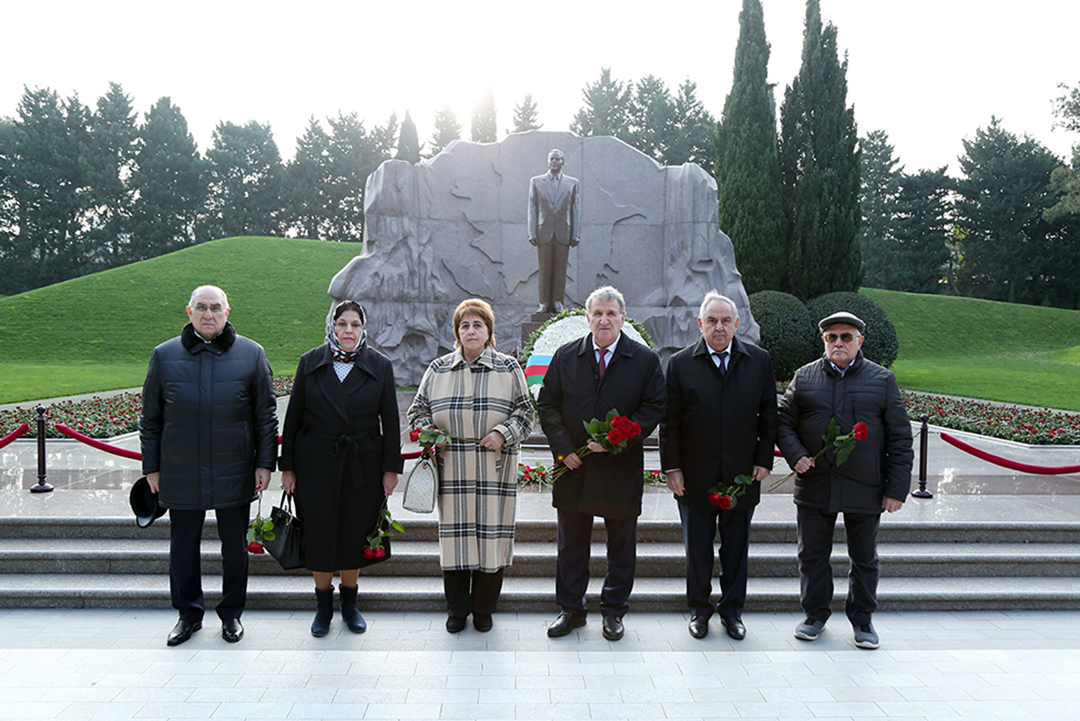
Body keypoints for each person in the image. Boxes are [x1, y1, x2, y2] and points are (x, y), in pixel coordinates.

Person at [140, 285, 278, 646]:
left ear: (227, 312)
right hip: (180, 469)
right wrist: (151, 468)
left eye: (215, 307)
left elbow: (265, 416)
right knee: (183, 546)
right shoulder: (164, 355)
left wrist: (264, 463)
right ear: (189, 311)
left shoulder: (251, 354)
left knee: (235, 546)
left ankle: (231, 614)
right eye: (201, 307)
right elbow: (150, 418)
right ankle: (188, 614)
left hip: (234, 469)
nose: (208, 314)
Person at [777, 311, 913, 650]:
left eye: (846, 337)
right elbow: (783, 423)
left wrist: (896, 488)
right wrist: (796, 455)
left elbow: (900, 437)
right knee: (811, 555)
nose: (839, 343)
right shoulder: (804, 377)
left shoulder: (882, 380)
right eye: (832, 337)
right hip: (815, 483)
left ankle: (863, 619)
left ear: (859, 341)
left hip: (865, 485)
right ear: (823, 341)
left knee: (864, 558)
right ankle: (815, 615)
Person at [537, 285, 666, 641]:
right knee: (571, 545)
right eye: (598, 313)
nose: (605, 319)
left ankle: (613, 611)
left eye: (611, 313)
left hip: (619, 469)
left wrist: (616, 440)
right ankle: (571, 610)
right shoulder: (566, 357)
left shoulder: (644, 360)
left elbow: (654, 407)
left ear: (623, 318)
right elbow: (547, 405)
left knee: (621, 545)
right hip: (574, 468)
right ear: (588, 318)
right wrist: (564, 449)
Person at [407, 299, 534, 633]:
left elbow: (525, 415)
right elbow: (417, 412)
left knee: (492, 537)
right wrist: (432, 434)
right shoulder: (438, 370)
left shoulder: (508, 368)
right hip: (453, 471)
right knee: (456, 539)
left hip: (495, 470)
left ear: (489, 331)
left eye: (478, 324)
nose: (471, 331)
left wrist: (502, 433)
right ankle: (457, 609)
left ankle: (484, 609)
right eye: (465, 325)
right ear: (457, 332)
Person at [279, 300, 403, 637]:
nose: (349, 331)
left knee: (353, 533)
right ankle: (322, 606)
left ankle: (349, 603)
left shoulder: (379, 364)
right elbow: (293, 418)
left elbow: (390, 421)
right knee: (317, 533)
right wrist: (287, 467)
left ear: (364, 329)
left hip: (361, 463)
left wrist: (390, 469)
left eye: (355, 325)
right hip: (315, 462)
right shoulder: (311, 362)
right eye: (342, 324)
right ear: (332, 327)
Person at [660, 292, 777, 640]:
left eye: (726, 320)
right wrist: (672, 468)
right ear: (700, 324)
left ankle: (732, 612)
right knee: (697, 550)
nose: (719, 327)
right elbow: (670, 423)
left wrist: (763, 459)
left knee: (736, 550)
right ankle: (699, 610)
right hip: (695, 478)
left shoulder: (758, 361)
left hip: (742, 475)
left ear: (737, 324)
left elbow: (769, 414)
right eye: (711, 320)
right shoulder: (680, 364)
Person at [528, 148, 580, 314]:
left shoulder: (572, 183)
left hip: (563, 232)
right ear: (547, 161)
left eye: (557, 159)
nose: (554, 162)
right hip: (543, 231)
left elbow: (575, 209)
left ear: (562, 162)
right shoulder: (536, 181)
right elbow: (532, 207)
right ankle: (544, 303)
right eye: (552, 159)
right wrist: (532, 232)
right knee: (544, 270)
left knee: (560, 269)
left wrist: (576, 233)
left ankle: (558, 302)